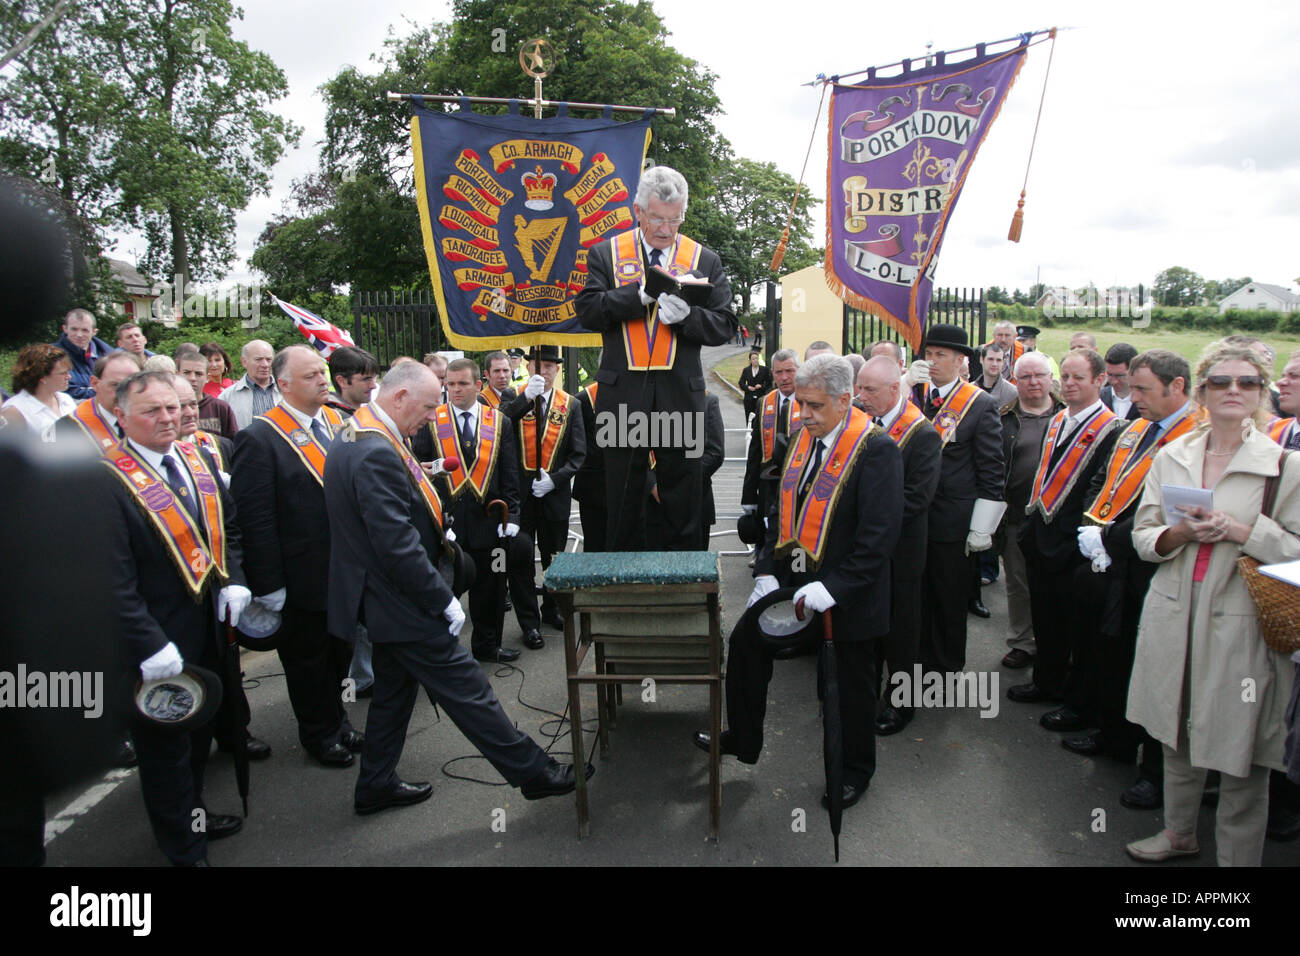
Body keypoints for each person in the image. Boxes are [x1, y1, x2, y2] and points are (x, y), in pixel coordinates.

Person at [322, 360, 590, 814]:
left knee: (392, 693)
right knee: (468, 689)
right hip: (401, 600)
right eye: (429, 406)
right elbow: (396, 546)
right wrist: (441, 599)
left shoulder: (361, 433)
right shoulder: (373, 450)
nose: (434, 415)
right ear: (401, 396)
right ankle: (534, 773)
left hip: (383, 599)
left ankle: (375, 784)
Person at [693, 355, 902, 810]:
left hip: (848, 594)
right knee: (746, 643)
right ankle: (744, 738)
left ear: (846, 401)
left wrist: (835, 588)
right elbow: (780, 514)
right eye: (801, 404)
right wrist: (766, 569)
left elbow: (879, 538)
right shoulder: (802, 440)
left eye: (814, 405)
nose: (803, 413)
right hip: (794, 581)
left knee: (847, 690)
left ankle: (853, 771)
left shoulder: (876, 449)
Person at [1126, 340, 1298, 866]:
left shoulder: (1284, 466)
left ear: (1261, 393)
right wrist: (1177, 534)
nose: (1233, 391)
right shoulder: (1173, 455)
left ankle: (1237, 861)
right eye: (1221, 381)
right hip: (1174, 610)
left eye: (1247, 383)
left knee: (1242, 747)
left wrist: (1243, 530)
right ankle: (1179, 833)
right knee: (1175, 729)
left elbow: (1295, 550)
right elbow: (1143, 537)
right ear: (1201, 390)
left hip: (1242, 621)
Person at [104, 370, 251, 865]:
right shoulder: (106, 480)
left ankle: (194, 816)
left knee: (197, 741)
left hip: (207, 625)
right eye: (152, 411)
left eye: (173, 407)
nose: (169, 418)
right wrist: (147, 643)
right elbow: (109, 581)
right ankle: (186, 850)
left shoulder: (193, 456)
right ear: (121, 416)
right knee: (165, 751)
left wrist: (234, 578)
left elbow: (227, 523)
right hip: (152, 645)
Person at [574, 164, 736, 551]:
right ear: (638, 211)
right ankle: (623, 584)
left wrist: (690, 318)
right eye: (658, 219)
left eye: (675, 219)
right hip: (622, 391)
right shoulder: (606, 254)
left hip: (681, 392)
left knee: (684, 490)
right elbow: (588, 310)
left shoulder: (704, 258)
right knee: (624, 492)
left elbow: (726, 324)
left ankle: (684, 582)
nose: (666, 229)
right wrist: (638, 296)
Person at [1064, 350, 1198, 810]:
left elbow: (1172, 515)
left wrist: (1112, 536)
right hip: (1118, 559)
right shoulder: (1137, 428)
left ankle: (1157, 773)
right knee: (1115, 651)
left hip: (1160, 566)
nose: (1131, 396)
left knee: (1161, 672)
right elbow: (1108, 482)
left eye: (1142, 389)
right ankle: (1115, 735)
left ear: (1176, 386)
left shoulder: (1193, 439)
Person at [231, 345, 360, 769]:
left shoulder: (339, 422)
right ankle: (319, 734)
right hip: (299, 576)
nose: (323, 380)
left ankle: (340, 721)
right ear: (283, 384)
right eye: (311, 376)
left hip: (341, 570)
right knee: (308, 660)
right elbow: (257, 521)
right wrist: (269, 587)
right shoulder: (259, 438)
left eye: (323, 373)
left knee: (340, 652)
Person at [1008, 349, 1122, 719]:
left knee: (1077, 627)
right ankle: (1047, 681)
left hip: (1074, 543)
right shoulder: (1058, 420)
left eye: (1079, 378)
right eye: (1067, 377)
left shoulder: (1112, 429)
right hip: (1040, 534)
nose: (1070, 384)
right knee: (1046, 618)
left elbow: (1099, 490)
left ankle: (1074, 698)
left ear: (1099, 381)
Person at [904, 323, 1004, 674]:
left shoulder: (979, 404)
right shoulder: (913, 397)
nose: (931, 361)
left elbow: (991, 470)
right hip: (914, 516)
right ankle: (915, 660)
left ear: (961, 360)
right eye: (928, 354)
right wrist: (904, 389)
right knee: (915, 597)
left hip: (952, 521)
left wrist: (983, 527)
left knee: (948, 598)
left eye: (940, 355)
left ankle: (945, 667)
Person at [855, 356, 941, 735]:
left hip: (901, 552)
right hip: (867, 550)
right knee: (867, 628)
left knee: (902, 634)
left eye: (869, 390)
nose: (861, 396)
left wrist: (863, 518)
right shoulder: (862, 424)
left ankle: (902, 704)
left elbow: (915, 499)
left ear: (895, 389)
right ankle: (864, 695)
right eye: (859, 387)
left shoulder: (922, 435)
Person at [434, 358, 528, 663]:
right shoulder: (432, 421)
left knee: (490, 590)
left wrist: (512, 516)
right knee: (444, 591)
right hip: (448, 528)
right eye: (450, 384)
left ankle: (488, 646)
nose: (455, 390)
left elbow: (509, 473)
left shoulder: (498, 421)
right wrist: (434, 520)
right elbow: (422, 477)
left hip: (491, 522)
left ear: (478, 385)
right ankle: (438, 654)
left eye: (462, 384)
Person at [505, 345, 586, 645]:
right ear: (528, 368)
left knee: (555, 557)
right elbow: (500, 425)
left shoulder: (571, 404)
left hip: (553, 494)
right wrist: (526, 399)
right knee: (520, 559)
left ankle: (552, 608)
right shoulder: (513, 397)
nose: (544, 371)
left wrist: (555, 480)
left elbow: (579, 455)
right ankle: (529, 623)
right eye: (539, 366)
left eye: (550, 366)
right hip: (520, 497)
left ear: (558, 370)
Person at [995, 352, 1062, 670]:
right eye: (1025, 377)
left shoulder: (1069, 414)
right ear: (1015, 381)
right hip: (1016, 516)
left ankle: (1056, 645)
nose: (1033, 382)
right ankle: (1022, 642)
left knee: (1056, 585)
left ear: (1051, 378)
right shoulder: (1002, 416)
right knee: (1018, 583)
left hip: (1058, 518)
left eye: (1039, 375)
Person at [741, 349, 800, 526]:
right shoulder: (764, 402)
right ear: (772, 373)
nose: (784, 377)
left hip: (798, 485)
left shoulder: (809, 401)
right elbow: (755, 452)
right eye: (779, 372)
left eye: (790, 371)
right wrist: (749, 496)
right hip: (768, 487)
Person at [52, 351, 144, 453]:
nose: (126, 393)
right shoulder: (66, 431)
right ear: (95, 383)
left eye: (134, 385)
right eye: (116, 385)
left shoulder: (154, 420)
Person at [2, 344, 76, 433]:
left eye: (68, 372)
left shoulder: (66, 400)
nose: (69, 377)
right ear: (42, 377)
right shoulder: (15, 411)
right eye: (63, 373)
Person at [573, 374, 606, 551]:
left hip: (628, 488)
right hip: (593, 489)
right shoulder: (583, 400)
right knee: (595, 548)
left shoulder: (633, 394)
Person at [176, 348, 239, 439]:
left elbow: (232, 445)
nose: (192, 378)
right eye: (186, 372)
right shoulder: (168, 409)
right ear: (177, 374)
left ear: (207, 377)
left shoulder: (221, 408)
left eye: (198, 374)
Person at [52, 309, 113, 400]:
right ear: (65, 329)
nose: (79, 334)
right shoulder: (53, 356)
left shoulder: (111, 355)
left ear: (94, 332)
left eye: (85, 330)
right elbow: (63, 390)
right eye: (74, 329)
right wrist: (103, 392)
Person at [218, 339, 279, 429]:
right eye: (258, 359)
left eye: (269, 359)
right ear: (244, 362)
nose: (265, 364)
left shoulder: (288, 392)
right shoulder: (227, 397)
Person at [326, 345, 380, 419]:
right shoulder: (332, 420)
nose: (373, 386)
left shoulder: (371, 414)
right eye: (366, 379)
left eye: (374, 378)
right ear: (342, 381)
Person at [1101, 343, 1140, 420]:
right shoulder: (1098, 400)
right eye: (1110, 374)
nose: (1114, 381)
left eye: (1120, 376)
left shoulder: (1149, 401)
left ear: (1135, 371)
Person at [738, 348, 772, 424]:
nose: (755, 360)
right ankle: (749, 432)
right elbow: (741, 382)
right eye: (753, 359)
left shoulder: (764, 369)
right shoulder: (746, 370)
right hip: (749, 398)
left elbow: (769, 383)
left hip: (760, 397)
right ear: (750, 360)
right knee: (749, 417)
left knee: (759, 417)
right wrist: (747, 387)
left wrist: (761, 386)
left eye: (756, 358)